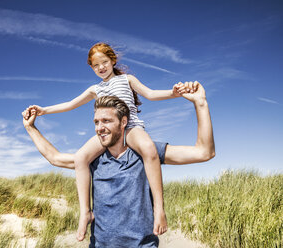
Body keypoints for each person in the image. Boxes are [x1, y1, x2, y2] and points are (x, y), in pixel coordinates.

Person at [25, 42, 190, 240]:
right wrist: (44, 110)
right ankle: (85, 212)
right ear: (92, 68)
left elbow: (150, 94)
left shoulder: (126, 79)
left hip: (131, 128)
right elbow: (70, 104)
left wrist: (174, 93)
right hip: (108, 132)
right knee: (80, 158)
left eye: (104, 62)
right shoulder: (95, 89)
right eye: (96, 65)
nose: (101, 67)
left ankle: (159, 209)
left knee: (148, 149)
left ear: (113, 61)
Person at [22, 82, 215, 247]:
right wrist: (30, 128)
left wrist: (200, 103)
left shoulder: (145, 153)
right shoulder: (92, 159)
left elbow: (204, 152)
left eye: (106, 121)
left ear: (124, 122)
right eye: (96, 122)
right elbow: (55, 158)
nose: (100, 128)